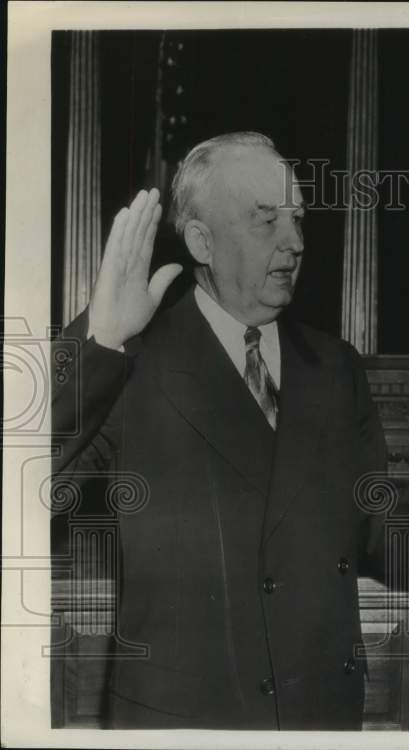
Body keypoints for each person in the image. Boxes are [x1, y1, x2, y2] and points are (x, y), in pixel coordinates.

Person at [51, 132, 389, 729]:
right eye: (266, 222)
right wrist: (101, 338)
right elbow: (30, 480)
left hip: (315, 718)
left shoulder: (336, 367)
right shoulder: (133, 363)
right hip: (185, 723)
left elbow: (378, 518)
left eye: (297, 219)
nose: (294, 242)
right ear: (202, 241)